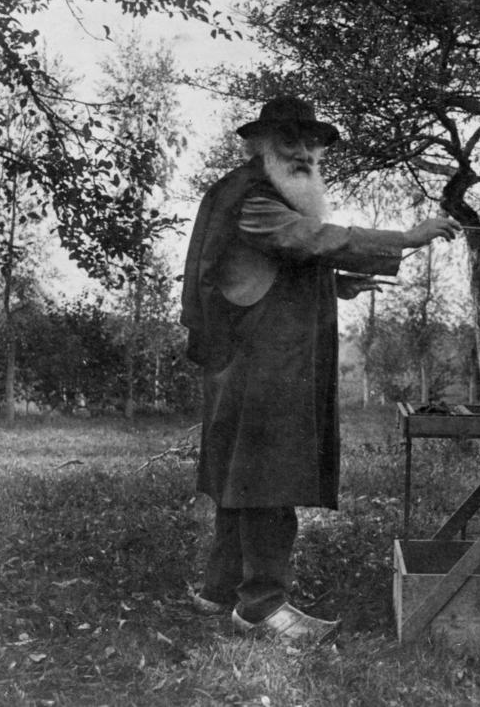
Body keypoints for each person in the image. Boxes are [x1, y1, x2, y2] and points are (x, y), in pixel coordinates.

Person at [180, 96, 460, 643]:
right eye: (290, 141)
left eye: (311, 143)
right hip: (258, 363)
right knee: (267, 475)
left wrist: (338, 285)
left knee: (242, 472)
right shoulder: (252, 199)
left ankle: (217, 591)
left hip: (255, 359)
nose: (304, 152)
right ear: (260, 144)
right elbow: (310, 239)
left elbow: (270, 269)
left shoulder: (258, 192)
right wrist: (405, 238)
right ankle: (261, 604)